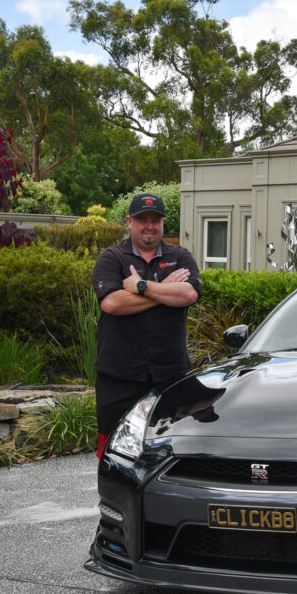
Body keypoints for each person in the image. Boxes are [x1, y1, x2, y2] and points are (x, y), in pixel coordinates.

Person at [91, 193, 201, 458]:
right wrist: (165, 291)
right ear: (129, 222)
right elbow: (113, 304)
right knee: (113, 452)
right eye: (142, 220)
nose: (149, 226)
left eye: (155, 220)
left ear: (163, 223)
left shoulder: (180, 256)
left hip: (171, 375)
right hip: (119, 375)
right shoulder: (112, 258)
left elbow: (188, 294)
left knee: (172, 450)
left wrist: (141, 286)